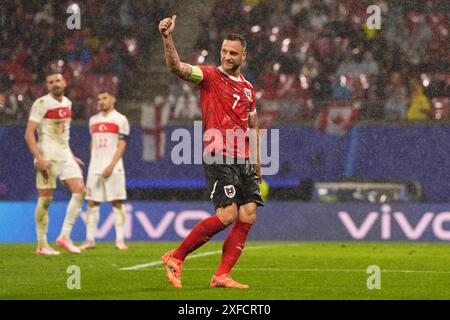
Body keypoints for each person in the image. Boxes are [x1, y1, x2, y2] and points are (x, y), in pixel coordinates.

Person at [158, 15, 264, 289]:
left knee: (248, 212)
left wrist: (257, 160)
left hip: (243, 159)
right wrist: (167, 38)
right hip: (218, 154)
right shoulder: (209, 76)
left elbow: (252, 124)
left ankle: (221, 275)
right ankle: (176, 257)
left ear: (244, 55)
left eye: (233, 53)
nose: (227, 57)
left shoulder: (249, 89)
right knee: (228, 214)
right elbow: (177, 67)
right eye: (224, 51)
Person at [24, 72, 85, 255]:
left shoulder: (67, 103)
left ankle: (64, 237)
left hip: (65, 155)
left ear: (65, 82)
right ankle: (42, 244)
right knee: (46, 200)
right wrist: (39, 158)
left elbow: (62, 135)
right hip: (47, 157)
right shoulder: (41, 103)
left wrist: (71, 155)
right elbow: (29, 134)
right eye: (50, 82)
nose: (55, 84)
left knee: (80, 191)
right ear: (47, 86)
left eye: (58, 80)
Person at [79, 91, 130, 251]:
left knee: (117, 202)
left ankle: (120, 240)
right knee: (92, 202)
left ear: (113, 99)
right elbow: (92, 143)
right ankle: (89, 240)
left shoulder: (120, 119)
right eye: (99, 99)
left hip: (114, 167)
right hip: (95, 167)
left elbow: (122, 144)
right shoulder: (93, 120)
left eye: (104, 98)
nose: (101, 101)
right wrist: (94, 161)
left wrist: (111, 165)